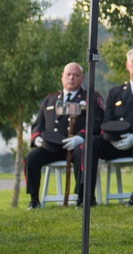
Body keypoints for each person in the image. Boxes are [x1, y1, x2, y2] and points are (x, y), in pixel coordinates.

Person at [80, 46, 133, 206]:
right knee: (91, 142)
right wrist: (112, 138)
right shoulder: (115, 92)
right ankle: (87, 196)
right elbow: (106, 121)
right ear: (127, 65)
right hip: (115, 143)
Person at [24, 63, 104, 209]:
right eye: (68, 74)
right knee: (31, 158)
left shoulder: (90, 98)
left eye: (76, 75)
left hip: (76, 146)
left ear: (82, 78)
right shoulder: (49, 100)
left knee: (83, 152)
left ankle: (82, 197)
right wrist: (37, 138)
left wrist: (80, 137)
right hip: (51, 147)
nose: (71, 78)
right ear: (62, 77)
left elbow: (97, 121)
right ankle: (34, 199)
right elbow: (38, 123)